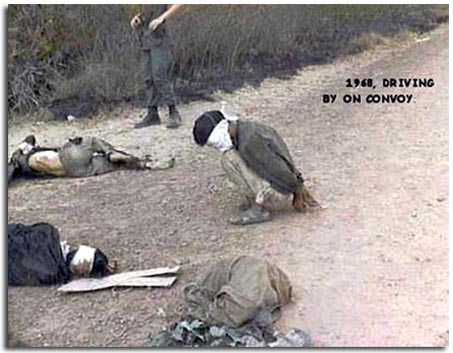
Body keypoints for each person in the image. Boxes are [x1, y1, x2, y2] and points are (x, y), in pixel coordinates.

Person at [192, 110, 319, 225]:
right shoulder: (244, 129)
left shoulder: (248, 142)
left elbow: (276, 166)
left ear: (222, 128)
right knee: (232, 154)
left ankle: (258, 208)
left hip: (278, 193)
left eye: (214, 143)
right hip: (286, 184)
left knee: (228, 159)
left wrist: (297, 188)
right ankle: (257, 200)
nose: (217, 147)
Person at [8, 135, 174, 184]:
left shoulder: (21, 169)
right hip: (67, 158)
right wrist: (25, 146)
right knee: (93, 142)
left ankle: (143, 164)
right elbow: (30, 137)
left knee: (117, 165)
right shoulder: (19, 155)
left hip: (74, 173)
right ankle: (112, 153)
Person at [130, 4, 184, 129]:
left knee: (160, 76)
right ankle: (152, 113)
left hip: (160, 39)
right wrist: (137, 18)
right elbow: (147, 12)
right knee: (147, 77)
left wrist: (162, 18)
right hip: (146, 39)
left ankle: (173, 111)